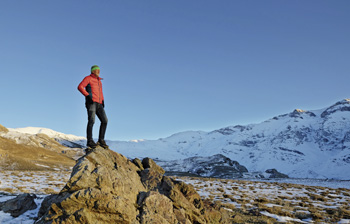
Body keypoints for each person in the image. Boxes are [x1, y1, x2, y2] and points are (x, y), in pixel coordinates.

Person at [78, 65, 109, 149]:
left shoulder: (99, 81)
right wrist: (87, 96)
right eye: (97, 70)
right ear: (93, 71)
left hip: (99, 104)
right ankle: (90, 141)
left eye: (99, 70)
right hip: (91, 103)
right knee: (91, 121)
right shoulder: (88, 78)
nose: (99, 71)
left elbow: (100, 92)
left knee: (105, 121)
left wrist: (102, 100)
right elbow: (80, 87)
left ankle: (101, 140)